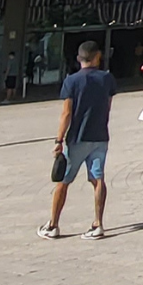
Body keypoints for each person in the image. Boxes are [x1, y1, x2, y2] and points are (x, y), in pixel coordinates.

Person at [41, 40, 116, 241]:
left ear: (78, 58)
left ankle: (53, 225)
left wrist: (59, 140)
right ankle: (98, 224)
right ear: (97, 56)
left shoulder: (71, 81)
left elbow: (66, 113)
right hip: (100, 135)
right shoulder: (107, 78)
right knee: (98, 179)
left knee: (63, 181)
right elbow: (108, 107)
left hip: (77, 138)